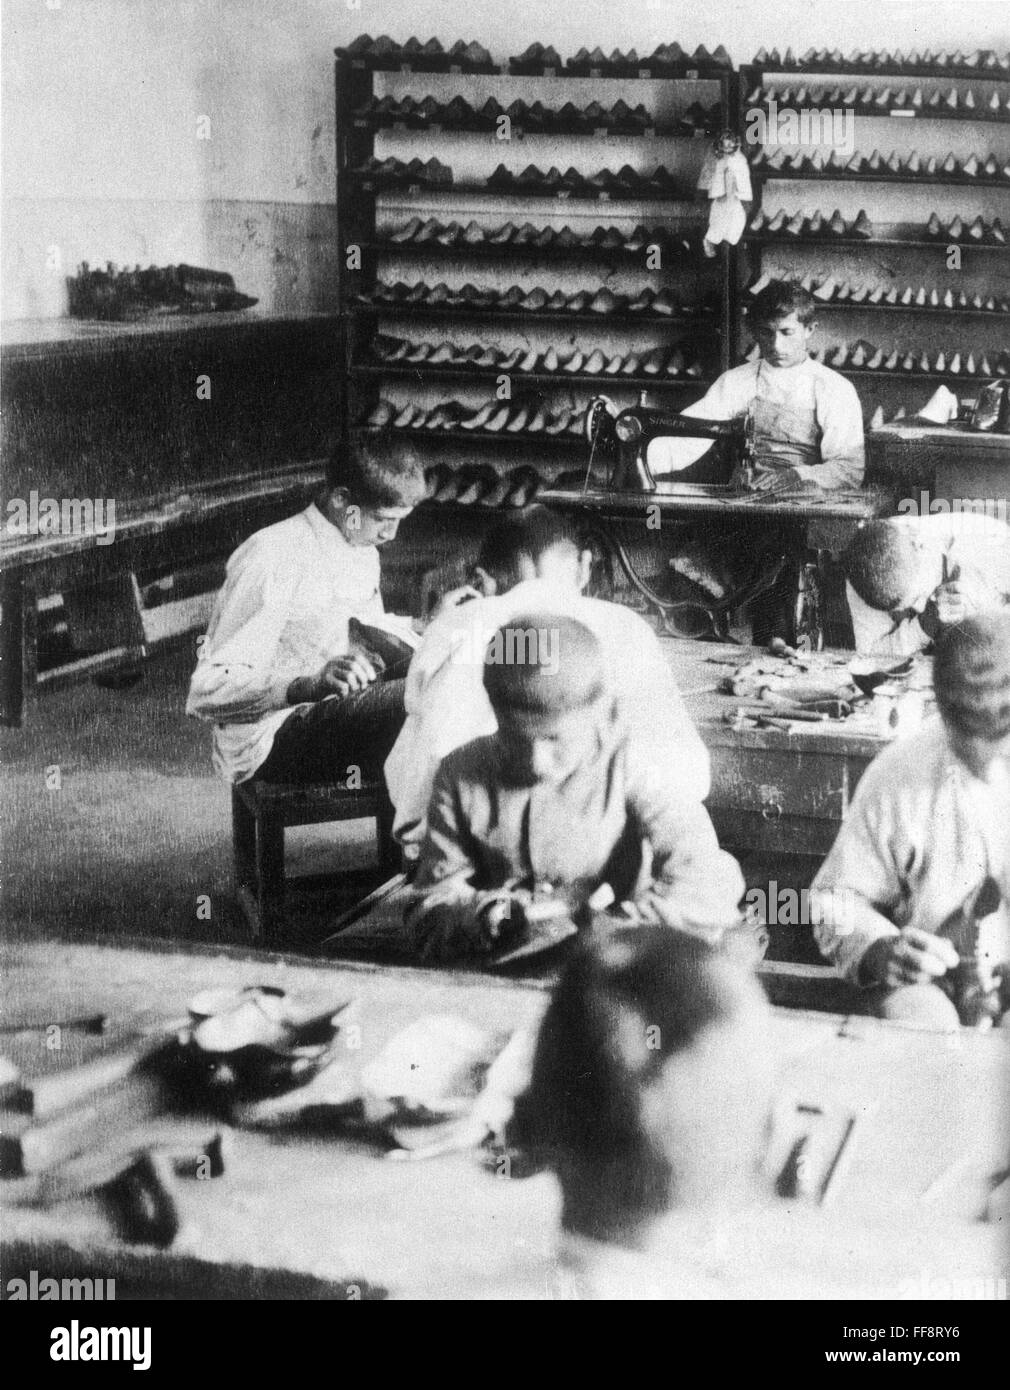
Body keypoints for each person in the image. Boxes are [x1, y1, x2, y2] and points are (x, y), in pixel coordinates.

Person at [404, 614, 743, 962]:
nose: (536, 761)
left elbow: (707, 881)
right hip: (499, 967)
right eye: (516, 740)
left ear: (600, 711)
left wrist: (621, 930)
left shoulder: (633, 762)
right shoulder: (461, 772)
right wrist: (482, 915)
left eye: (555, 739)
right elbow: (430, 903)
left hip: (620, 966)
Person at [385, 505, 710, 853]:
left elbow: (417, 724)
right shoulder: (628, 626)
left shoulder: (458, 623)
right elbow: (690, 774)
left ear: (483, 580)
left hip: (467, 836)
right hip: (610, 840)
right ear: (585, 566)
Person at [187, 434, 464, 784]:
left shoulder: (360, 546)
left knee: (458, 669)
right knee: (430, 699)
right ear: (341, 499)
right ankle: (424, 832)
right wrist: (304, 685)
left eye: (399, 520)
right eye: (383, 519)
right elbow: (205, 692)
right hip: (272, 737)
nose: (391, 535)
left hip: (330, 706)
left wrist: (424, 624)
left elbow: (356, 624)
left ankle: (418, 832)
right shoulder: (272, 556)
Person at [811, 613, 1010, 1029]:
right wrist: (882, 949)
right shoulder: (901, 773)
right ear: (942, 710)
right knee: (921, 1026)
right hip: (932, 985)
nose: (990, 764)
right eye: (968, 740)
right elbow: (833, 900)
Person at [648, 279, 865, 493]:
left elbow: (848, 469)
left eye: (786, 332)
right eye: (766, 333)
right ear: (754, 332)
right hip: (744, 499)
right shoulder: (736, 381)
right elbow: (684, 442)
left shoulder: (834, 388)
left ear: (809, 329)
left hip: (807, 506)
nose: (776, 345)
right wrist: (632, 458)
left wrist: (797, 475)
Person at [843, 511, 1010, 657]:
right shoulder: (863, 569)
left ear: (921, 546)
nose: (922, 607)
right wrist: (922, 627)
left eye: (919, 597)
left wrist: (980, 616)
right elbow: (870, 657)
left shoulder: (988, 543)